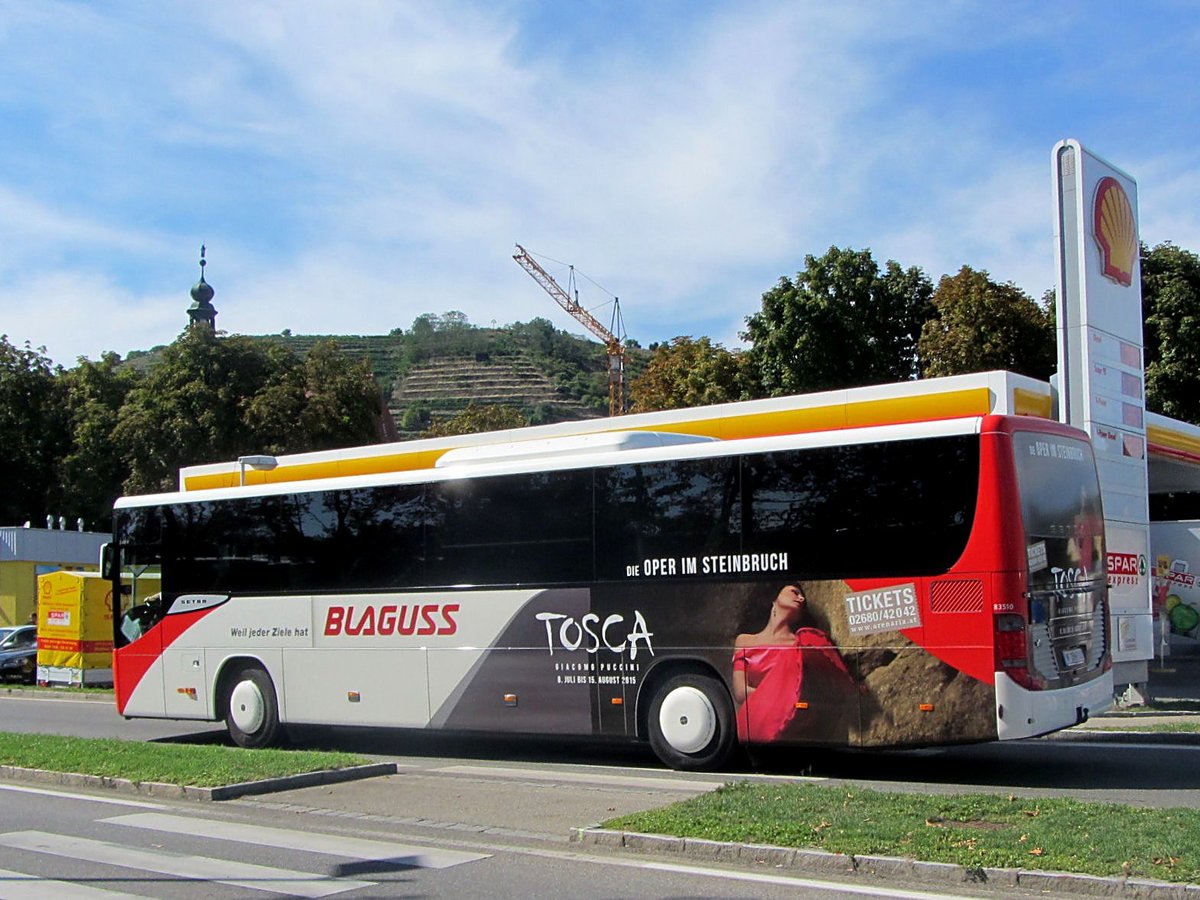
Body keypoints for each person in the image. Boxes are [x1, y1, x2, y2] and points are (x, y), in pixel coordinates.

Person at [732, 583, 859, 743]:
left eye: (802, 596)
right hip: (755, 722)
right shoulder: (745, 640)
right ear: (774, 597)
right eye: (795, 592)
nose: (801, 598)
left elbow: (803, 693)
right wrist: (776, 697)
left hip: (790, 723)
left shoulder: (799, 643)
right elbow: (740, 692)